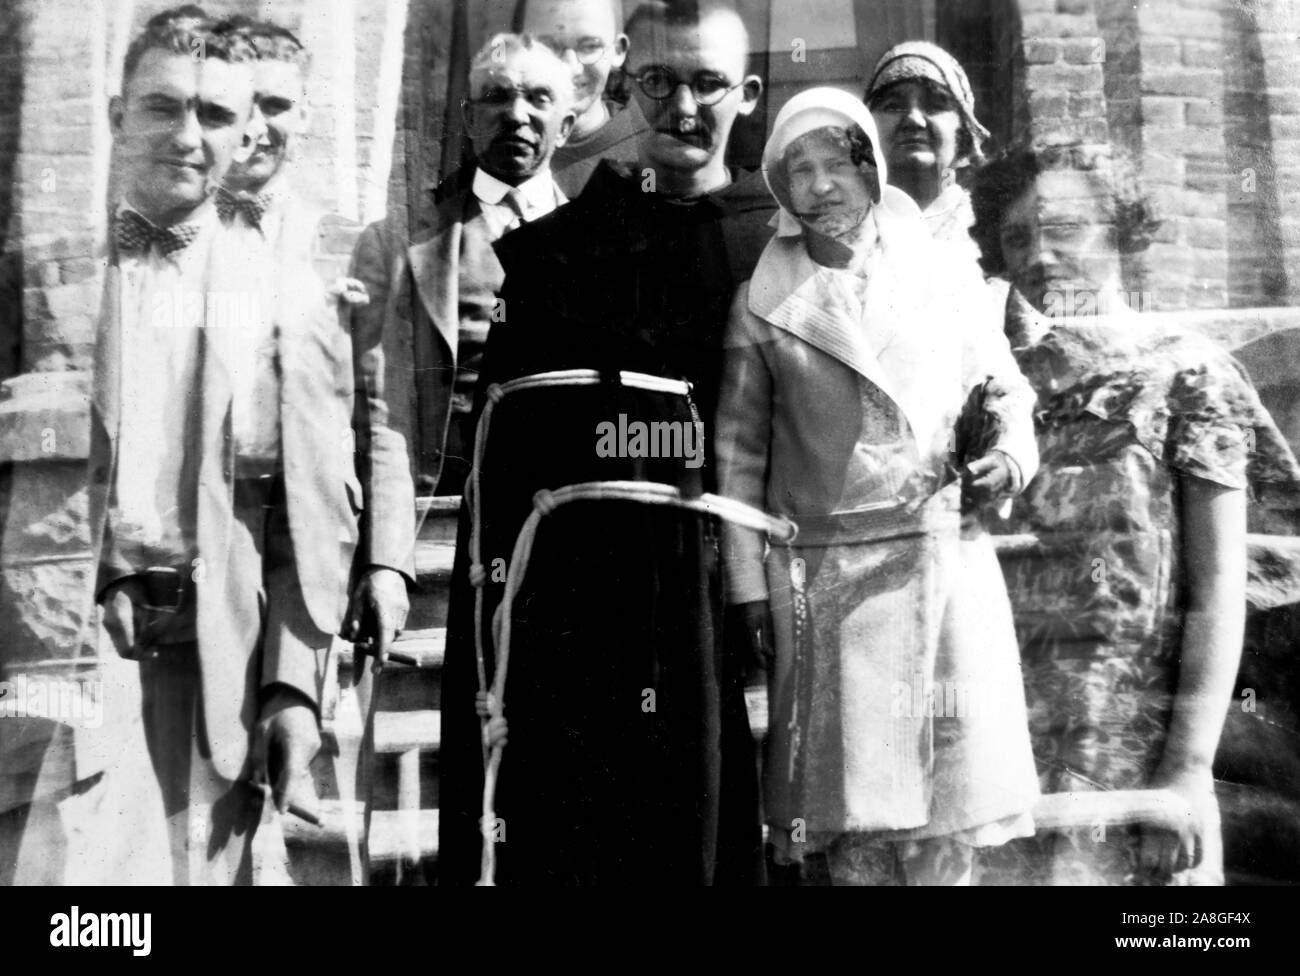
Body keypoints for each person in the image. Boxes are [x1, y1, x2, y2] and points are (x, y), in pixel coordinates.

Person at [437, 0, 776, 886]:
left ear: (747, 93)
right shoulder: (559, 254)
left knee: (698, 831)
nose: (684, 109)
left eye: (708, 84)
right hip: (578, 615)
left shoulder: (776, 247)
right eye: (660, 82)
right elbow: (507, 467)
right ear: (627, 82)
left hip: (709, 602)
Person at [714, 87, 1041, 886]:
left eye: (841, 162)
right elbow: (736, 458)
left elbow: (1005, 391)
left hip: (943, 559)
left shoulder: (942, 272)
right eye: (802, 169)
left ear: (873, 165)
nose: (824, 185)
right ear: (780, 187)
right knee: (855, 821)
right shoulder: (763, 301)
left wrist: (1009, 456)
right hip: (827, 581)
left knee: (947, 815)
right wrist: (749, 588)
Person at [969, 147, 1300, 885]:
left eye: (1065, 228)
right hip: (1005, 750)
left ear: (1121, 230)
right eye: (1018, 237)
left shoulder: (1189, 372)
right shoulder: (994, 383)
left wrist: (1184, 773)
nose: (1041, 256)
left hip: (1136, 754)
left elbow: (1217, 594)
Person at [88, 8, 361, 884]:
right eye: (162, 107)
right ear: (116, 115)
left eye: (213, 115)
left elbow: (311, 520)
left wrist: (292, 692)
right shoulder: (50, 286)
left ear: (246, 132)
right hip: (80, 655)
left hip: (221, 668)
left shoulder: (290, 297)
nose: (186, 135)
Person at [215, 16, 414, 673]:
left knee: (302, 752)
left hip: (319, 542)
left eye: (276, 105)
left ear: (304, 117)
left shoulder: (353, 246)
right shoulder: (166, 249)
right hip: (206, 540)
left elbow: (383, 421)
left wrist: (387, 563)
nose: (257, 126)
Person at [348, 34, 575, 507]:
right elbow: (376, 410)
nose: (516, 115)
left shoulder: (606, 245)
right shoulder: (396, 244)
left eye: (538, 98)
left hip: (561, 513)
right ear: (470, 119)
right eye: (497, 96)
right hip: (438, 511)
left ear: (567, 125)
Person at [865, 41, 990, 263]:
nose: (914, 120)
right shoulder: (850, 227)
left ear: (963, 130)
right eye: (893, 106)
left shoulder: (991, 222)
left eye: (935, 105)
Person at [516, 0, 646, 197]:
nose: (570, 67)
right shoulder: (497, 147)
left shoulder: (650, 153)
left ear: (618, 51)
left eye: (590, 46)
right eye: (547, 46)